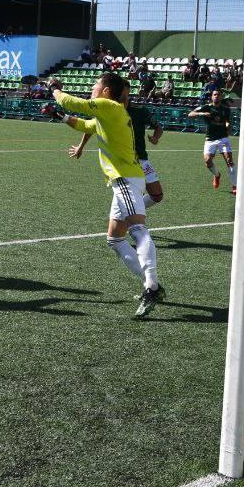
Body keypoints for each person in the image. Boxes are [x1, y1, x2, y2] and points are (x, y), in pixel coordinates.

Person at [41, 71, 165, 318]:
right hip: (126, 179)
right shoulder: (110, 113)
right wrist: (60, 116)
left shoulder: (109, 105)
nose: (92, 89)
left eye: (96, 85)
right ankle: (153, 285)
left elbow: (73, 102)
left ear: (106, 91)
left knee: (138, 230)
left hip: (125, 179)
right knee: (115, 240)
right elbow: (84, 124)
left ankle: (151, 285)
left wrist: (54, 88)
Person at [69, 94, 165, 212]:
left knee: (156, 196)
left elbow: (158, 128)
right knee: (127, 194)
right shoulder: (109, 109)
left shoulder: (140, 111)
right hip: (122, 160)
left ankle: (124, 211)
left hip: (141, 158)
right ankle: (124, 214)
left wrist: (155, 138)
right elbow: (92, 126)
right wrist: (81, 146)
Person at [189, 88, 237, 193]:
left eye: (218, 95)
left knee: (229, 161)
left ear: (221, 97)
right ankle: (217, 175)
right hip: (210, 139)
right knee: (207, 161)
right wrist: (202, 114)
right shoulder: (206, 107)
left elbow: (228, 121)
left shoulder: (226, 109)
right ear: (212, 97)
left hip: (223, 138)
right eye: (214, 94)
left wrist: (228, 125)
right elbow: (190, 114)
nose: (216, 96)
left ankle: (235, 186)